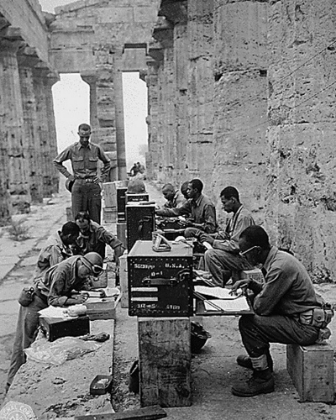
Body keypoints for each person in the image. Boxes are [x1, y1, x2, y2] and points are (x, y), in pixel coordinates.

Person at [230, 225, 333, 397]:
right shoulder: (278, 258)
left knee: (249, 323)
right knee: (253, 319)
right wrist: (252, 285)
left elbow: (262, 308)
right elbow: (274, 291)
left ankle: (263, 377)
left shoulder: (279, 267)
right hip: (298, 318)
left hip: (304, 327)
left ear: (256, 250)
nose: (244, 257)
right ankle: (261, 361)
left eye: (244, 253)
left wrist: (250, 299)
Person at [6, 252, 104, 391]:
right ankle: (12, 385)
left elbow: (72, 288)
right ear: (82, 263)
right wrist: (74, 301)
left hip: (47, 303)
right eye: (86, 272)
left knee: (37, 341)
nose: (86, 276)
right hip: (36, 301)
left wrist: (79, 293)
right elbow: (53, 299)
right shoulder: (63, 270)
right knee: (25, 342)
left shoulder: (79, 268)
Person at [53, 123, 112, 224]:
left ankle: (95, 239)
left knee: (95, 220)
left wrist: (101, 177)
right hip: (78, 186)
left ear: (90, 134)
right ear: (78, 134)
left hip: (93, 186)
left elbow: (107, 162)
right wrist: (69, 176)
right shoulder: (72, 149)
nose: (85, 139)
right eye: (82, 137)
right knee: (78, 219)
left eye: (87, 137)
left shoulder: (96, 149)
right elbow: (57, 161)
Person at [200, 186, 255, 286]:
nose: (223, 206)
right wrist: (215, 236)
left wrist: (213, 242)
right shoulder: (235, 215)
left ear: (233, 200)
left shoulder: (243, 217)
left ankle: (217, 286)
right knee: (204, 254)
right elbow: (229, 236)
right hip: (239, 256)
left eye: (225, 203)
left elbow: (236, 246)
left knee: (211, 254)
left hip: (246, 259)